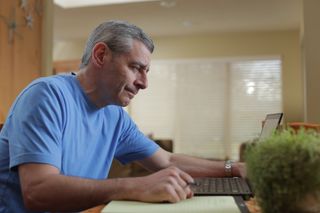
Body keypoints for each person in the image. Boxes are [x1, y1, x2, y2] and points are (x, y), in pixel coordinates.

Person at [0, 20, 245, 212]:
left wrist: (234, 168)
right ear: (100, 55)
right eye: (136, 68)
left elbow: (167, 161)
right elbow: (38, 191)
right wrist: (135, 186)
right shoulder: (47, 96)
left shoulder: (115, 115)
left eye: (146, 71)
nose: (144, 83)